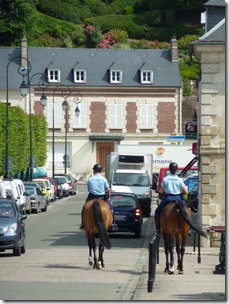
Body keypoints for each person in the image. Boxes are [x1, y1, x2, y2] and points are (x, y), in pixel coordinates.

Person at [80, 164, 118, 231]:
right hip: (102, 197)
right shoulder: (104, 179)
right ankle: (113, 223)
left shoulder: (90, 179)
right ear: (100, 170)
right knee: (111, 208)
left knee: (84, 208)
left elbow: (89, 189)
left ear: (94, 170)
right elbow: (107, 189)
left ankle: (83, 223)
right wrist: (108, 197)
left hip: (92, 197)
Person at [154, 162, 188, 234]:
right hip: (178, 198)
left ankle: (158, 229)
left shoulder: (165, 179)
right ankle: (189, 229)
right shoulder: (179, 179)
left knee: (157, 212)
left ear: (169, 169)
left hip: (168, 198)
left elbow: (162, 191)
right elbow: (185, 191)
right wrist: (181, 192)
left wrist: (160, 192)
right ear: (176, 170)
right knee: (186, 212)